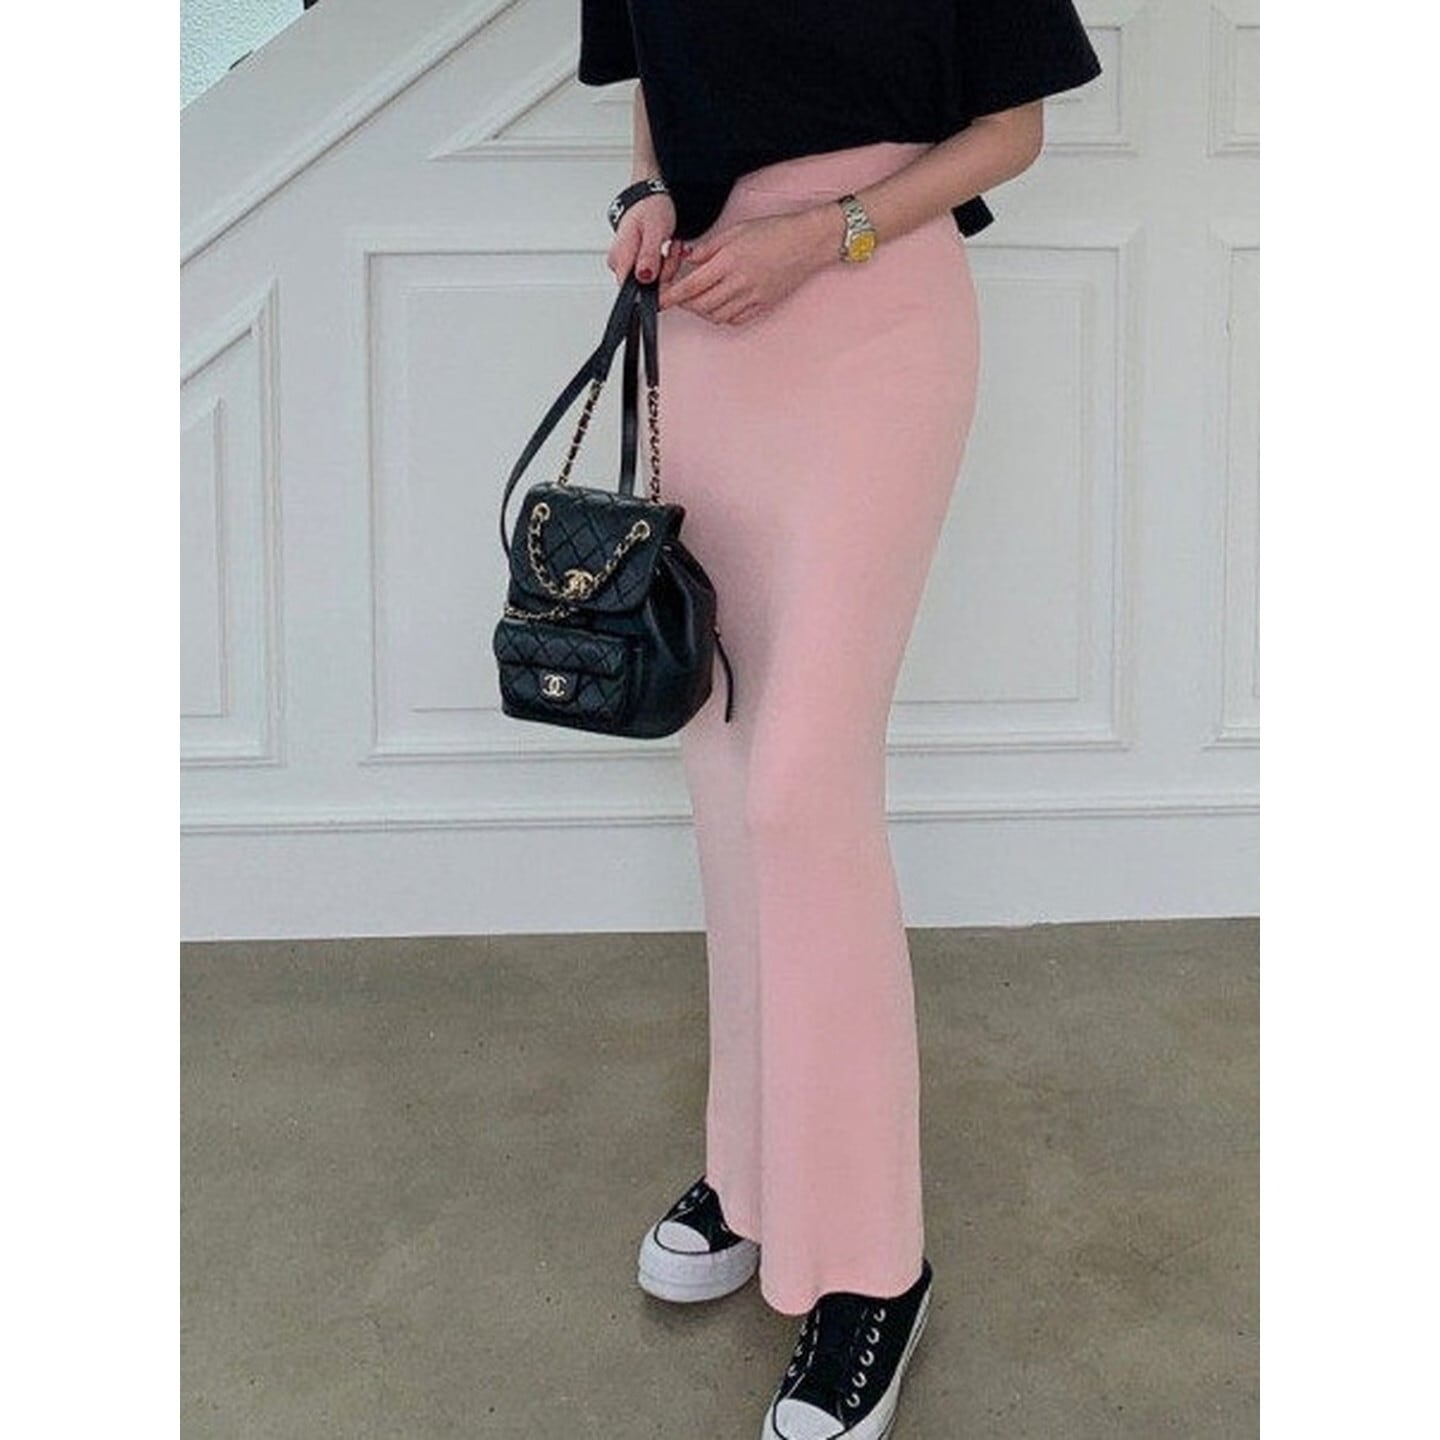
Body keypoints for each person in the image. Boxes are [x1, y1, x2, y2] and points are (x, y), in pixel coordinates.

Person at [578, 3, 1103, 1435]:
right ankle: (753, 1172)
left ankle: (874, 1265)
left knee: (801, 788)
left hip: (875, 307)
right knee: (726, 770)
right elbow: (655, 86)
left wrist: (825, 235)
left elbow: (1014, 128)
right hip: (709, 323)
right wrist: (647, 198)